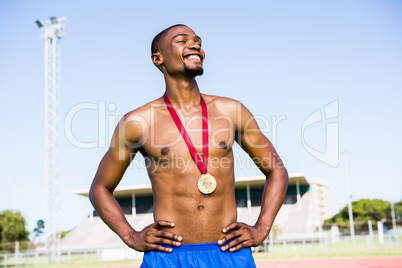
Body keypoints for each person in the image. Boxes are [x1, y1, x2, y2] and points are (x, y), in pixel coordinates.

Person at [89, 24, 288, 268]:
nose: (195, 45)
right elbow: (99, 188)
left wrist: (262, 227)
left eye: (198, 42)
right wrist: (131, 236)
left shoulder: (231, 111)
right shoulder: (137, 122)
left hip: (228, 252)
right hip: (168, 256)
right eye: (182, 41)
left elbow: (277, 169)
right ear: (158, 58)